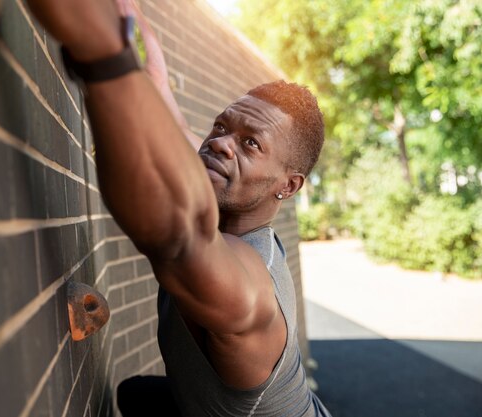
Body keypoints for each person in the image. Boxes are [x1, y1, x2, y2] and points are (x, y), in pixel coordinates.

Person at [27, 0, 332, 415]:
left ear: (288, 186)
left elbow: (179, 239)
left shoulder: (248, 290)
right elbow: (191, 144)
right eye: (222, 126)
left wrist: (104, 56)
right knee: (136, 394)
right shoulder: (230, 178)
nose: (222, 143)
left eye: (251, 143)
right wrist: (154, 85)